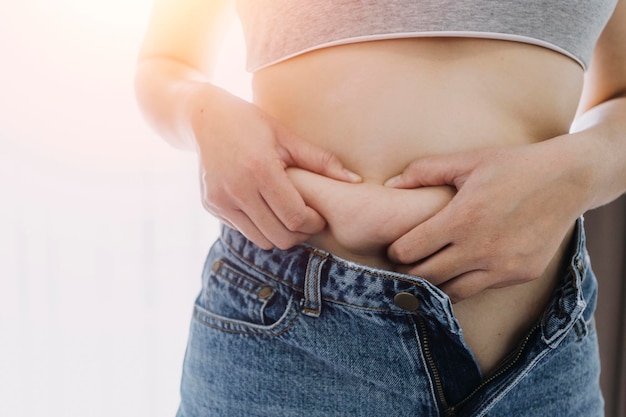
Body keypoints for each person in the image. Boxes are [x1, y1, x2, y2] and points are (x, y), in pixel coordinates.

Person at [135, 1, 626, 416]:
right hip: (292, 344)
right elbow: (165, 63)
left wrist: (583, 170)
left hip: (542, 360)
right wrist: (201, 115)